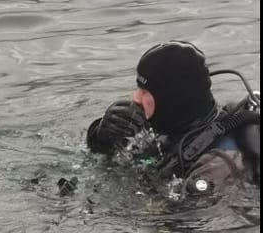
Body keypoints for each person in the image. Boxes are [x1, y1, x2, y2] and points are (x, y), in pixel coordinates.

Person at [86, 40, 260, 196]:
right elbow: (116, 159)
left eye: (145, 92)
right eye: (138, 88)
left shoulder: (218, 168)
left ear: (172, 102)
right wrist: (101, 139)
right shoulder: (176, 128)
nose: (136, 98)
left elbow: (195, 226)